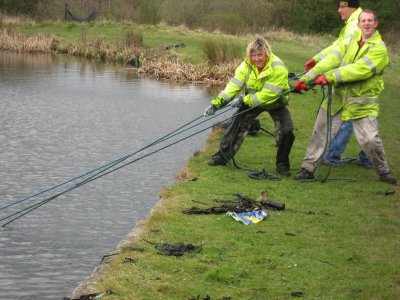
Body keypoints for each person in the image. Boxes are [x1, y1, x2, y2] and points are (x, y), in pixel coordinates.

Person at [293, 9, 397, 185]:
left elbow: (359, 70)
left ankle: (383, 171)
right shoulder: (351, 40)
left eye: (370, 20)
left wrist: (329, 77)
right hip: (339, 97)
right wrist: (307, 78)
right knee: (320, 132)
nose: (366, 23)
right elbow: (332, 58)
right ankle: (308, 168)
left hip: (361, 102)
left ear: (375, 24)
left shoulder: (379, 50)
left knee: (370, 140)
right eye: (363, 20)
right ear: (358, 24)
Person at [203, 37, 295, 176]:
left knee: (287, 131)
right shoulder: (246, 65)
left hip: (275, 102)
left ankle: (282, 164)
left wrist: (243, 100)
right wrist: (217, 104)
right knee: (236, 123)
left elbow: (268, 95)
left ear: (267, 54)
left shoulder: (279, 68)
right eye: (253, 55)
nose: (256, 59)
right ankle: (222, 156)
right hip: (252, 101)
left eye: (260, 55)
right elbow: (234, 85)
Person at [304, 0, 371, 168]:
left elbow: (339, 57)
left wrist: (316, 76)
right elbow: (337, 47)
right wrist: (317, 59)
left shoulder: (356, 26)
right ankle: (367, 159)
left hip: (355, 83)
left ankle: (333, 155)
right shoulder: (352, 24)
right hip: (347, 81)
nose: (339, 10)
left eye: (342, 6)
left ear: (352, 7)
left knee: (349, 119)